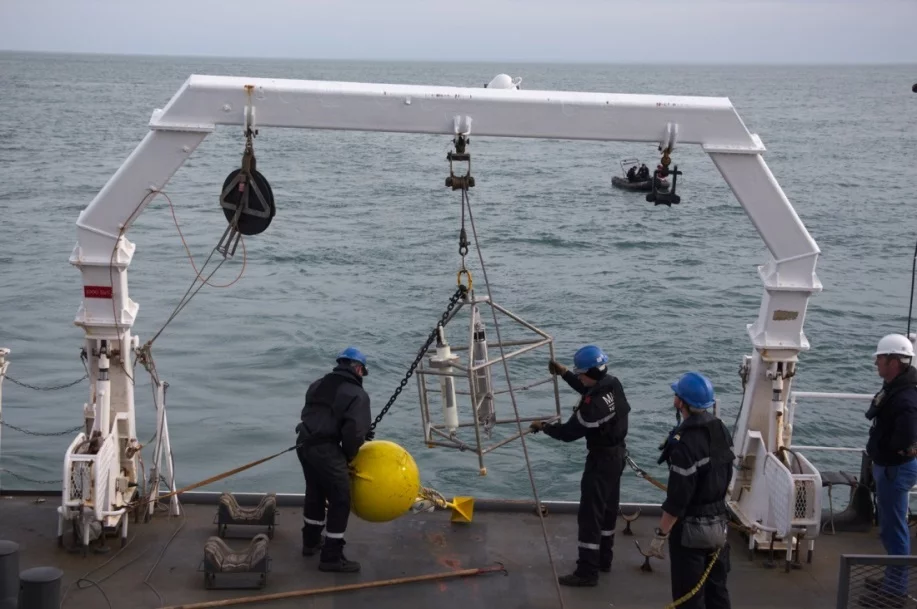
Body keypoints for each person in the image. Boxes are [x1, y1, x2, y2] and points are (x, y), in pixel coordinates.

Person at [529, 344, 630, 587]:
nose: (580, 376)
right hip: (617, 457)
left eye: (580, 372)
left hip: (601, 461)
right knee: (607, 510)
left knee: (590, 516)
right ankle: (604, 559)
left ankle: (587, 571)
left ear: (591, 372)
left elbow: (567, 433)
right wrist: (564, 374)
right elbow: (588, 388)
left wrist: (544, 427)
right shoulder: (612, 384)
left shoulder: (592, 408)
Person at [647, 372, 734, 609]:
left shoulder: (684, 445)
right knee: (717, 591)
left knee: (689, 597)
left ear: (680, 402)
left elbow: (677, 500)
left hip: (691, 533)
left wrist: (661, 535)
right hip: (720, 526)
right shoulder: (721, 430)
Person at [295, 346, 373, 573]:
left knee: (315, 492)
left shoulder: (317, 385)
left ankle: (310, 543)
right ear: (358, 369)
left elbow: (318, 416)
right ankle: (331, 556)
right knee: (340, 500)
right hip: (326, 451)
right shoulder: (358, 395)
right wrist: (348, 457)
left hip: (304, 444)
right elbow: (354, 434)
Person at [861, 334, 917, 608]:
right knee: (890, 528)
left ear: (894, 362)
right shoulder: (897, 387)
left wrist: (888, 449)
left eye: (880, 359)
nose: (876, 364)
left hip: (894, 470)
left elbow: (907, 437)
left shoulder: (905, 398)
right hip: (891, 467)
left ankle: (894, 592)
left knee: (894, 530)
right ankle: (891, 581)